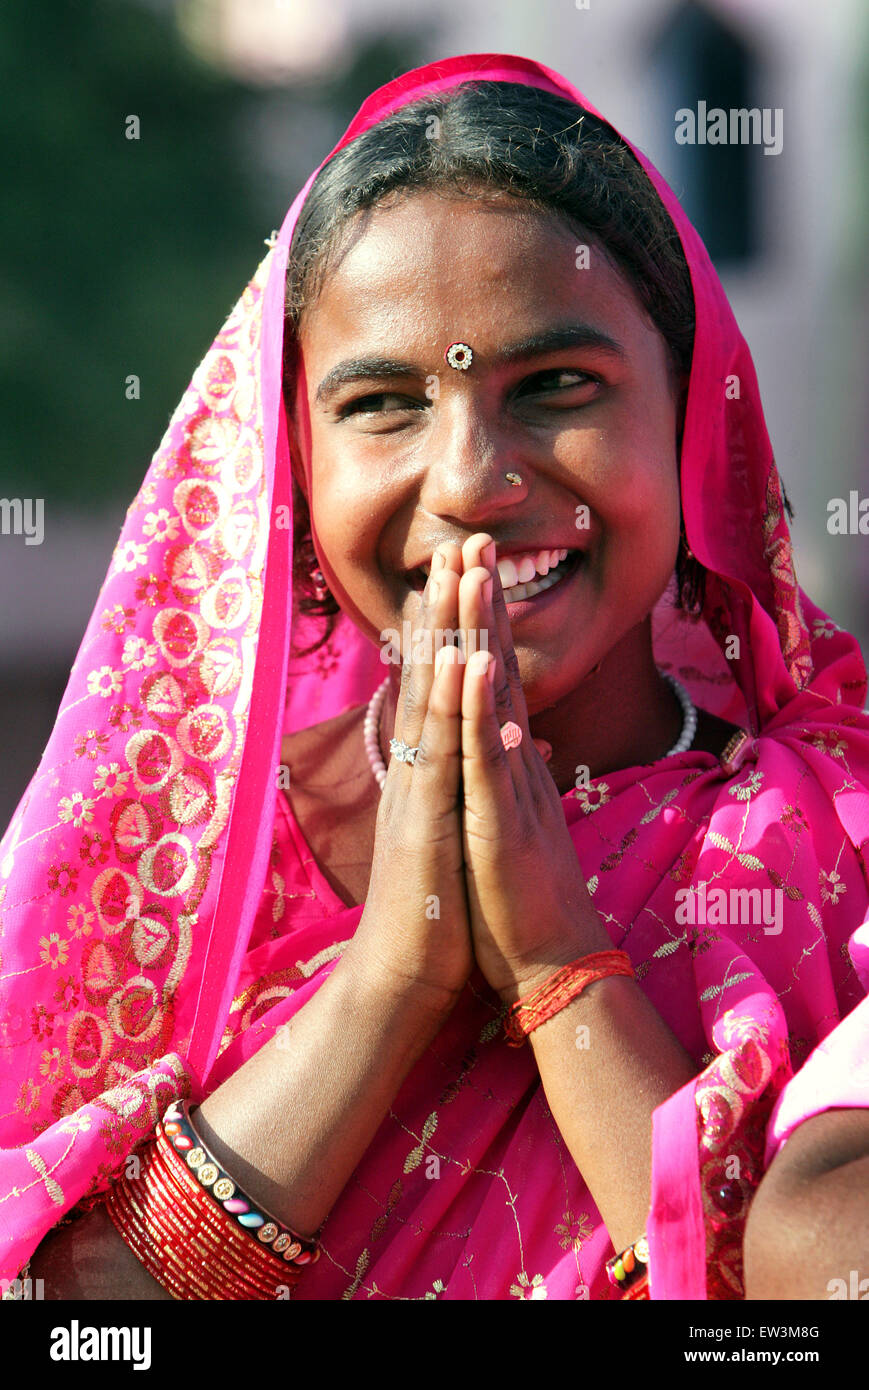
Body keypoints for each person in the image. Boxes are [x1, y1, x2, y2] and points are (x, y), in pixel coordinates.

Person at [2, 52, 868, 1302]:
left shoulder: (829, 842)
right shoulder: (168, 863)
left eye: (556, 387)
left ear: (689, 423)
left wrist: (557, 963)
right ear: (291, 463)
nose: (467, 482)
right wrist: (391, 982)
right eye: (382, 403)